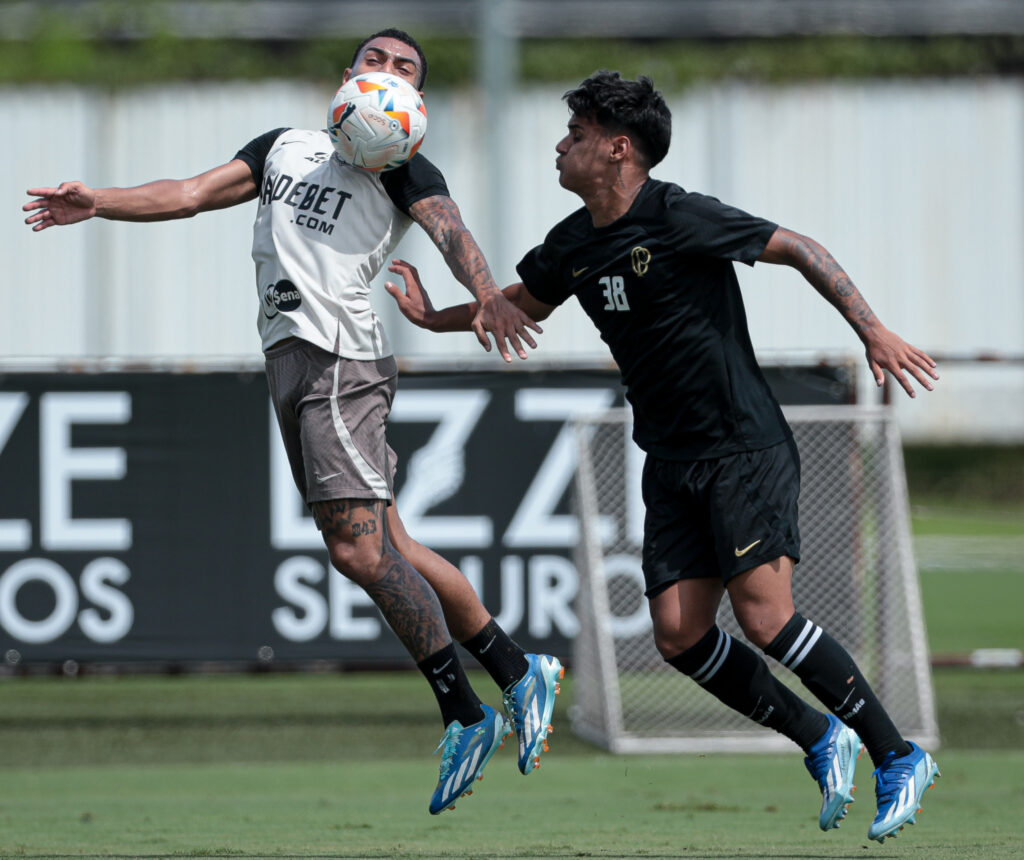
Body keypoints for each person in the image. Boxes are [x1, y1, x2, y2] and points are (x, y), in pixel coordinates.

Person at [385, 70, 941, 842]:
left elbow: (800, 248)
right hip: (670, 459)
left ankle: (898, 753)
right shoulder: (573, 244)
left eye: (574, 136)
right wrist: (431, 315)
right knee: (679, 636)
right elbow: (511, 305)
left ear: (618, 150)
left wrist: (871, 329)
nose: (559, 145)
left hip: (742, 444)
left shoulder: (679, 216)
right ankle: (820, 737)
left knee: (766, 619)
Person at [22, 27, 564, 816]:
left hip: (340, 361)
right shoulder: (286, 147)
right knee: (397, 547)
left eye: (406, 70)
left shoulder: (401, 163)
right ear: (348, 77)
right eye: (376, 61)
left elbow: (454, 235)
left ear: (416, 103)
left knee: (357, 551)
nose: (388, 74)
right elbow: (189, 193)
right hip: (292, 360)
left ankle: (465, 712)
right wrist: (98, 201)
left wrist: (485, 294)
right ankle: (519, 671)